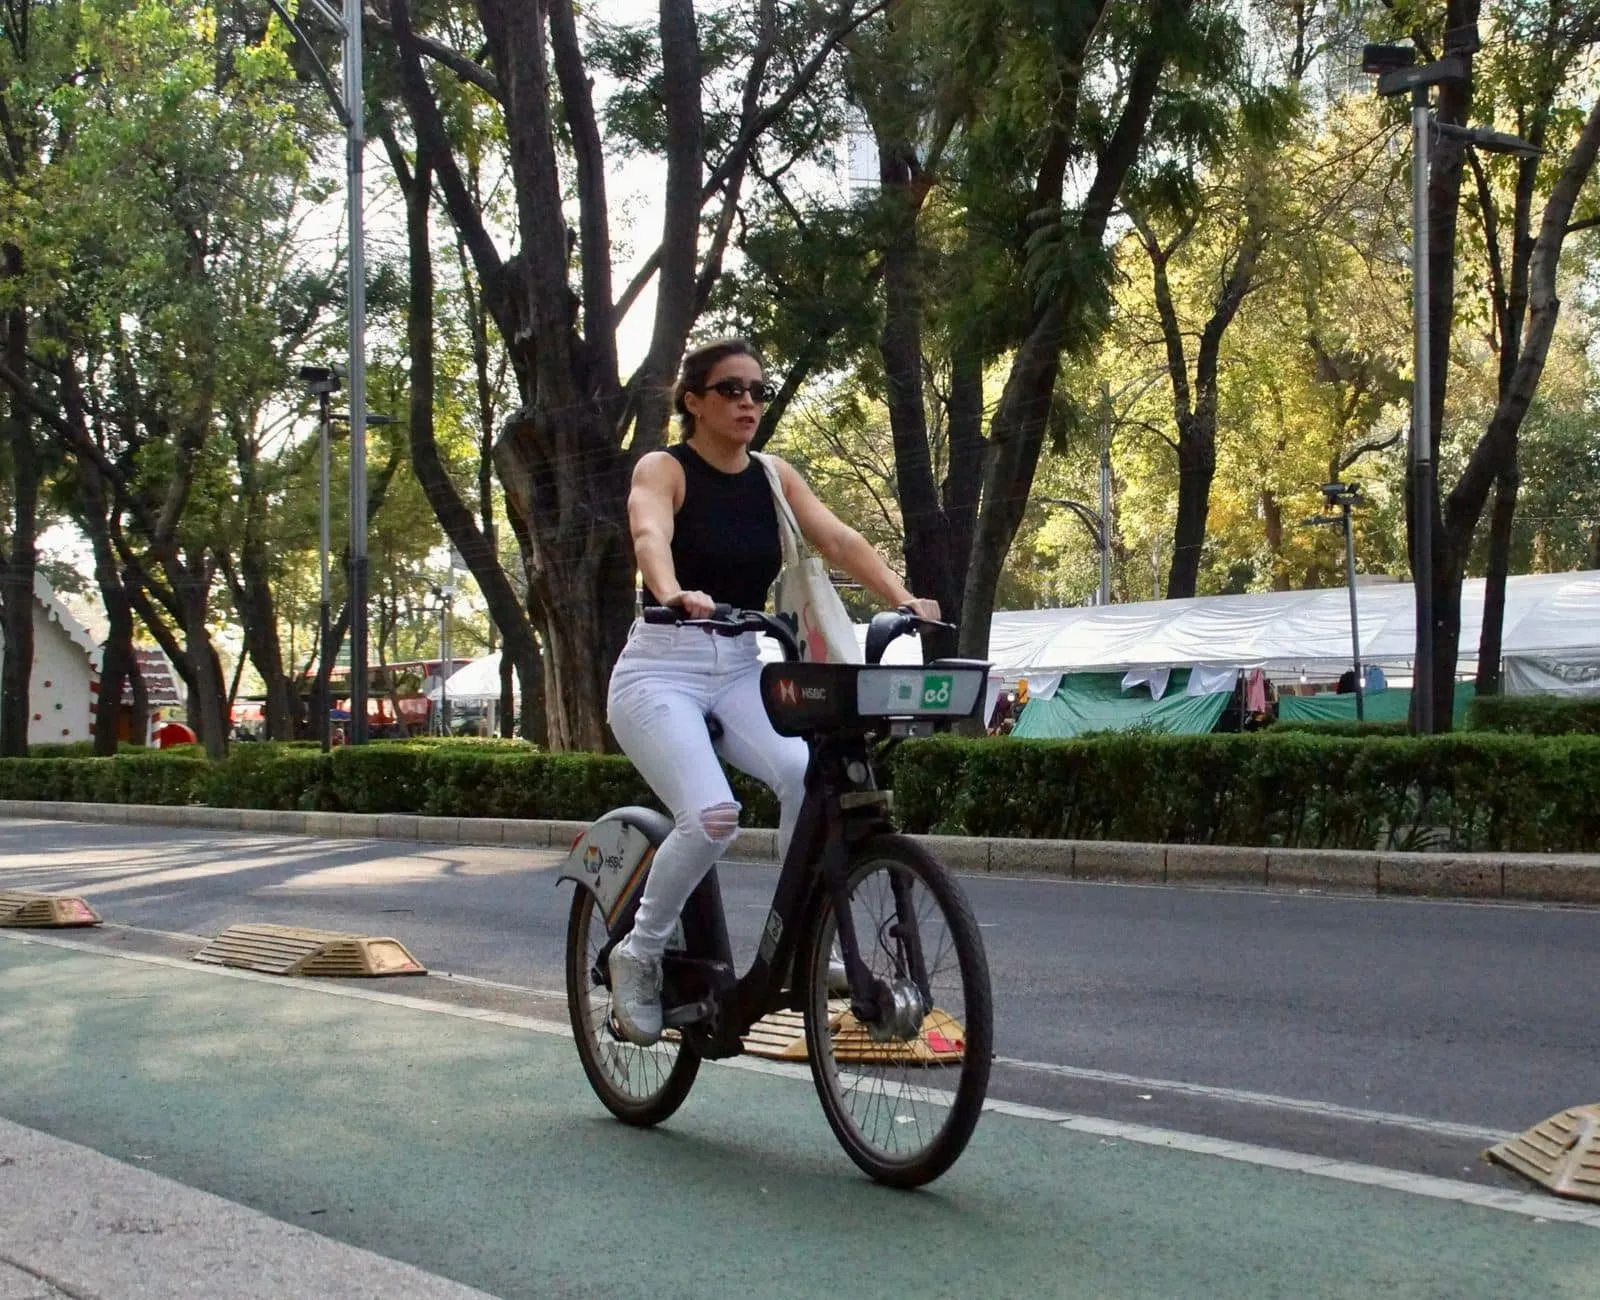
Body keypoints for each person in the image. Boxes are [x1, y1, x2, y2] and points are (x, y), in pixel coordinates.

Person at [605, 337, 941, 1046]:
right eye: (731, 390)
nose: (749, 402)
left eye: (758, 389)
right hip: (660, 668)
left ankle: (805, 940)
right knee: (712, 815)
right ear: (693, 400)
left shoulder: (771, 476)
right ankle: (637, 953)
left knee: (811, 778)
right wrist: (672, 593)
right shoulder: (664, 468)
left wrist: (905, 598)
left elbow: (840, 541)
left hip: (737, 666)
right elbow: (648, 532)